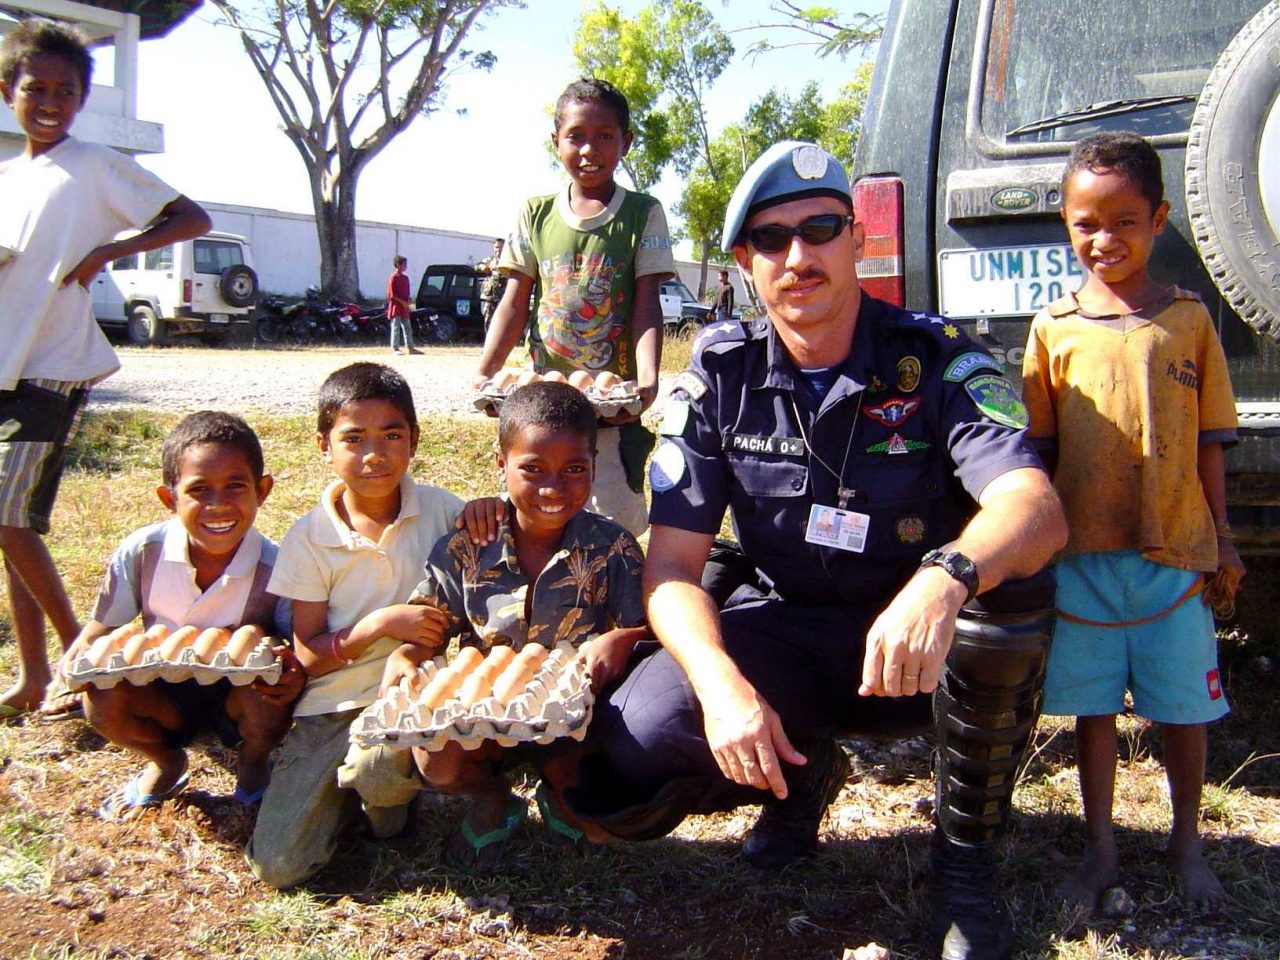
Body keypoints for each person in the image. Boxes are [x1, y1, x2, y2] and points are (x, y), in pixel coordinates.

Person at [565, 142, 1068, 960]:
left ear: (857, 241)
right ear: (743, 263)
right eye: (771, 241)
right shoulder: (720, 374)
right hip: (790, 630)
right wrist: (723, 686)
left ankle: (964, 869)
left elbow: (1034, 507)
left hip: (918, 646)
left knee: (1008, 594)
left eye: (821, 229)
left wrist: (944, 578)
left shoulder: (934, 359)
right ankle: (801, 779)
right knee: (640, 736)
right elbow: (672, 568)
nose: (797, 257)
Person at [1020, 132, 1243, 912]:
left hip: (1174, 554)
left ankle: (1189, 844)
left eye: (1124, 221)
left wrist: (1224, 541)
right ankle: (1101, 850)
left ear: (1159, 221)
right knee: (1091, 712)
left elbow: (1212, 445)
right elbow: (1036, 457)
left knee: (1184, 709)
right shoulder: (1052, 329)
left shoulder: (1188, 322)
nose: (1104, 240)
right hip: (1081, 557)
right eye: (1087, 224)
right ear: (1066, 224)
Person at [0, 19, 212, 724]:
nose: (51, 101)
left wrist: (107, 255)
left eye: (66, 90)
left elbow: (191, 218)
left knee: (7, 519)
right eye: (36, 89)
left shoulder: (94, 164)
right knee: (11, 528)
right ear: (8, 92)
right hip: (6, 363)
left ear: (84, 98)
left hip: (54, 366)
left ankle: (79, 663)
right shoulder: (10, 177)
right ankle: (33, 676)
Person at [378, 381, 648, 872]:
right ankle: (492, 798)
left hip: (572, 716)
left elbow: (648, 626)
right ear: (501, 464)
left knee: (591, 815)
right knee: (435, 759)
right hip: (483, 713)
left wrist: (623, 637)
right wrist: (405, 656)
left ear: (593, 467)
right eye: (533, 469)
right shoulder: (466, 547)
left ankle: (559, 789)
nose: (553, 488)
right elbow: (431, 623)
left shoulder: (613, 549)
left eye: (574, 470)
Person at [246, 362, 464, 889]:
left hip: (410, 695)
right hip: (329, 708)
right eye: (353, 438)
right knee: (277, 866)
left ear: (414, 439)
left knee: (379, 776)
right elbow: (310, 655)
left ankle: (385, 806)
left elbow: (470, 601)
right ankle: (343, 794)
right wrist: (380, 626)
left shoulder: (443, 511)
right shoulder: (309, 537)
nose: (374, 454)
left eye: (391, 435)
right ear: (325, 446)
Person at [58, 412, 302, 817]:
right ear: (169, 498)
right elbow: (101, 628)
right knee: (100, 699)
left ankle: (254, 760)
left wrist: (289, 669)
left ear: (263, 490)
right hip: (159, 694)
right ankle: (165, 761)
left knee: (269, 686)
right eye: (199, 490)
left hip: (236, 700)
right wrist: (76, 663)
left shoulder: (278, 569)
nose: (218, 505)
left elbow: (297, 649)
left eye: (236, 486)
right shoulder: (143, 553)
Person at [473, 77, 675, 537]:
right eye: (576, 136)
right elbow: (515, 301)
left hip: (609, 410)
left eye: (605, 136)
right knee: (543, 511)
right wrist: (487, 371)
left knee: (609, 520)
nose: (590, 149)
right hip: (546, 405)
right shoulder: (535, 213)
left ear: (627, 141)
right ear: (555, 142)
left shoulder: (642, 213)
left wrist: (645, 382)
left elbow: (647, 305)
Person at [386, 255, 418, 355]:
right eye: (404, 264)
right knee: (396, 327)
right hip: (396, 307)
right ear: (398, 265)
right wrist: (402, 302)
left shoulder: (405, 278)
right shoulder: (393, 277)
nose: (406, 266)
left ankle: (410, 347)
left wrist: (408, 300)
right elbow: (392, 294)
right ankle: (395, 348)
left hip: (404, 307)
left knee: (407, 327)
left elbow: (407, 293)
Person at [477, 237, 508, 334]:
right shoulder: (490, 260)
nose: (498, 250)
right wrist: (482, 267)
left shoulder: (510, 262)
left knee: (504, 324)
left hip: (504, 298)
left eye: (501, 247)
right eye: (496, 247)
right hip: (490, 299)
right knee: (488, 323)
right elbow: (477, 265)